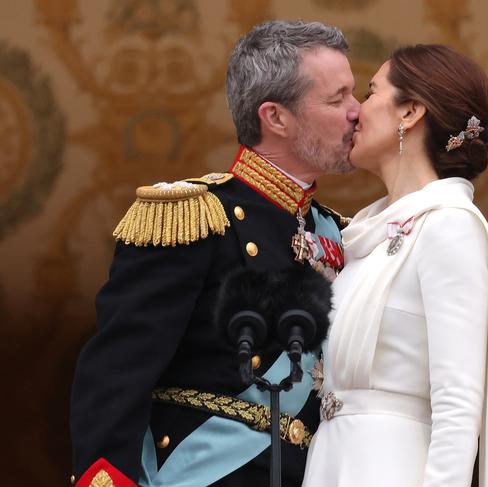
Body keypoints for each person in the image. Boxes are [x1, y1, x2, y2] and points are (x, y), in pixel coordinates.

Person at [69, 20, 360, 487]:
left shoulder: (340, 232)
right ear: (276, 117)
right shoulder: (194, 218)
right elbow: (116, 375)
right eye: (337, 98)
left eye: (355, 94)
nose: (356, 112)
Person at [302, 45, 488, 487]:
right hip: (329, 463)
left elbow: (458, 406)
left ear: (410, 112)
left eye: (369, 93)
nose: (355, 112)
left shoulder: (448, 227)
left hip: (391, 467)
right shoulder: (363, 235)